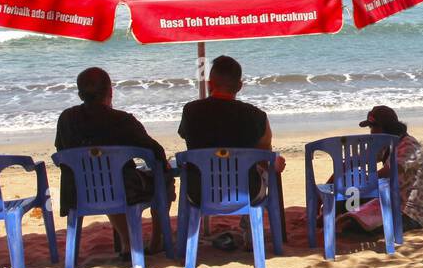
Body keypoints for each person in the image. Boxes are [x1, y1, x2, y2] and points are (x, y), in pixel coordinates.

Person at [54, 67, 171, 255]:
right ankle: (157, 240)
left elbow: (60, 151)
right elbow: (155, 151)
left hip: (77, 191)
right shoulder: (121, 120)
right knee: (163, 180)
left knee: (102, 180)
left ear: (79, 93)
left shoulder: (66, 118)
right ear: (110, 91)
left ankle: (127, 240)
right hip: (121, 191)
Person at [177, 55, 283, 247]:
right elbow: (264, 157)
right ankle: (249, 226)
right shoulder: (257, 116)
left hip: (199, 191)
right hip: (248, 192)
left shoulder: (191, 111)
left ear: (210, 83)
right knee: (267, 168)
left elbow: (187, 141)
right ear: (240, 86)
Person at [347, 105, 423, 232]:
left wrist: (362, 180)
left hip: (409, 212)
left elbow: (389, 171)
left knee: (354, 227)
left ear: (387, 128)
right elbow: (361, 159)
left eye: (373, 127)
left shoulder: (409, 145)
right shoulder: (388, 144)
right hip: (391, 201)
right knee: (348, 200)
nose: (371, 132)